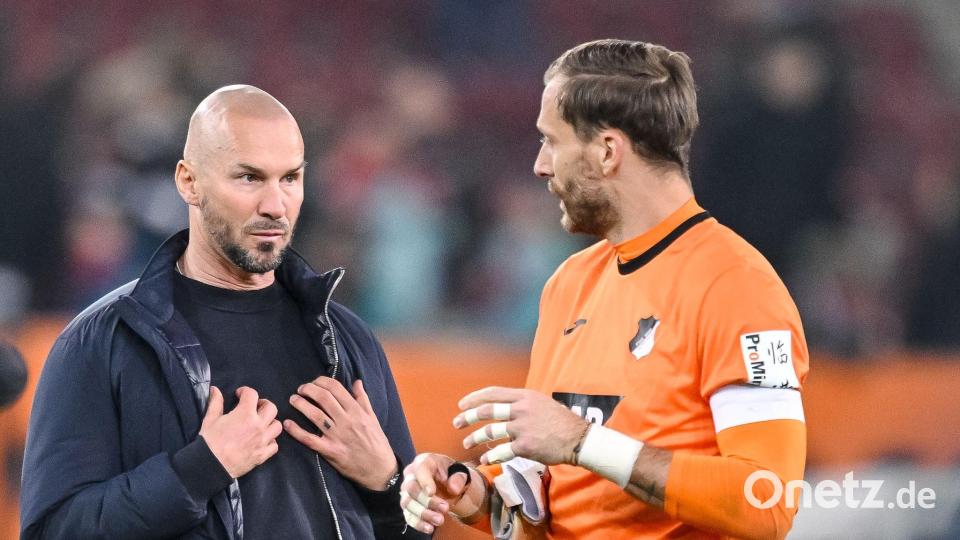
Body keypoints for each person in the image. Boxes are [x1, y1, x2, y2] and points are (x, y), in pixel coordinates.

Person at [400, 39, 809, 539]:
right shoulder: (570, 284)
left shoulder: (737, 286)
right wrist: (473, 493)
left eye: (552, 141)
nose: (540, 165)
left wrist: (584, 442)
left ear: (608, 151)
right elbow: (551, 503)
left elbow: (766, 502)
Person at [21, 85, 427, 539]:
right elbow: (53, 531)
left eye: (290, 178)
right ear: (188, 182)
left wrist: (387, 482)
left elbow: (414, 531)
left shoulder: (347, 337)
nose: (275, 206)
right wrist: (198, 470)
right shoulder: (104, 339)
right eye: (249, 178)